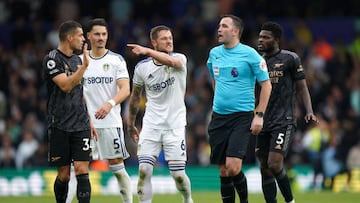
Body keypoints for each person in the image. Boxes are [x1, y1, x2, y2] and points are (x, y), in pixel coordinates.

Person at [206, 15, 272, 203]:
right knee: (223, 170)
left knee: (233, 167)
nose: (219, 29)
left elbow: (266, 85)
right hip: (219, 117)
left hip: (242, 117)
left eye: (224, 26)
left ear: (235, 31)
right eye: (219, 25)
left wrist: (259, 115)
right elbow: (214, 79)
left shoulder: (251, 55)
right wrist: (220, 98)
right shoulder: (214, 54)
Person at [126, 25, 194, 203]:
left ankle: (187, 199)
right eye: (164, 38)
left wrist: (147, 51)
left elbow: (173, 63)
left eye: (170, 37)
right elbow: (135, 97)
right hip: (151, 126)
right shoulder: (142, 68)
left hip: (175, 126)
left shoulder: (180, 58)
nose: (169, 41)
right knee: (144, 171)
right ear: (154, 42)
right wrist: (131, 123)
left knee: (178, 174)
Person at [256, 21, 318, 203]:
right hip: (262, 120)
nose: (261, 40)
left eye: (265, 37)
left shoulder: (290, 59)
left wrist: (309, 110)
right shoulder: (257, 61)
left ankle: (290, 201)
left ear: (276, 40)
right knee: (264, 167)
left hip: (284, 119)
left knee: (274, 164)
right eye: (260, 37)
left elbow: (302, 87)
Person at [42, 20, 97, 203]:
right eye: (81, 35)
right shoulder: (52, 59)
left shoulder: (77, 59)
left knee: (82, 169)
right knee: (64, 175)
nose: (84, 39)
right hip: (59, 124)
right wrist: (84, 67)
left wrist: (89, 120)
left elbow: (80, 93)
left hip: (80, 124)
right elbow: (65, 86)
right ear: (69, 37)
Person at [81, 18, 133, 203]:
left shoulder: (116, 60)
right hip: (84, 125)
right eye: (97, 34)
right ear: (88, 36)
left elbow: (125, 89)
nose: (101, 38)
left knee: (118, 167)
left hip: (110, 122)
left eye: (104, 34)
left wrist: (109, 103)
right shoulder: (79, 62)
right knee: (78, 168)